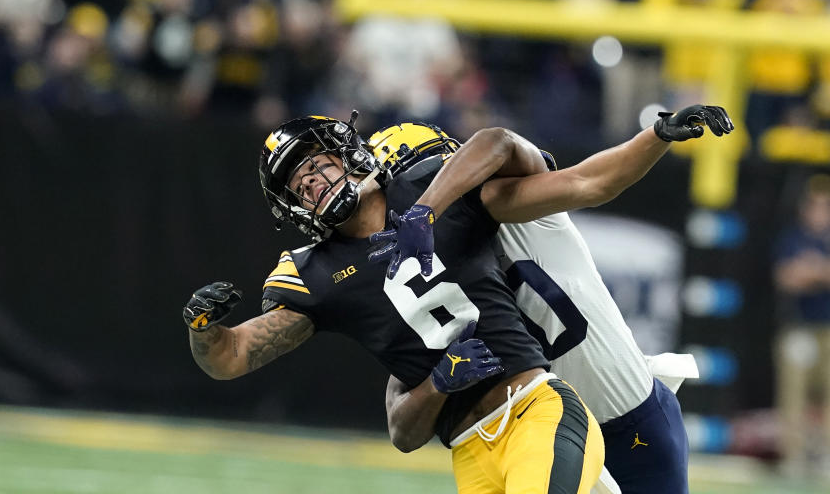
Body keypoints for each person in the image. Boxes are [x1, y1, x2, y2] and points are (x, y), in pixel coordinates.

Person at [183, 105, 732, 494]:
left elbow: (557, 169)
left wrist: (656, 135)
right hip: (486, 440)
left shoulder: (471, 205)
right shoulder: (338, 270)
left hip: (610, 408)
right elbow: (404, 393)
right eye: (297, 184)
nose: (434, 168)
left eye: (438, 160)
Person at [368, 121, 704, 494]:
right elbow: (400, 421)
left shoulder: (512, 199)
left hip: (625, 416)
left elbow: (562, 169)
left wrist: (655, 136)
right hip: (539, 435)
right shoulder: (421, 272)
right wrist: (436, 384)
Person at [773, 174, 830, 477]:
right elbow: (785, 278)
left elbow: (803, 275)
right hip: (797, 326)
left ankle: (825, 457)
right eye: (815, 205)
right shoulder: (792, 238)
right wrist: (816, 274)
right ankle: (793, 458)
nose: (820, 211)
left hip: (828, 327)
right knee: (793, 393)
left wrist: (813, 271)